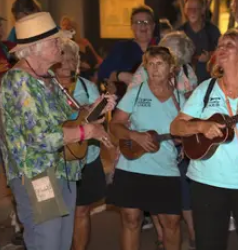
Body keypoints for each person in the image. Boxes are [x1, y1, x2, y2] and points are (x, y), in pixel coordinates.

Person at [0, 12, 115, 250]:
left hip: (64, 169)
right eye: (54, 41)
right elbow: (38, 138)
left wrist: (93, 109)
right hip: (37, 175)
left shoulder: (48, 76)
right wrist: (86, 133)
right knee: (47, 241)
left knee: (61, 242)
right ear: (34, 48)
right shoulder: (19, 81)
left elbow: (68, 118)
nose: (59, 45)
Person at [170, 29, 238, 250]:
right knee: (209, 244)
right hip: (207, 183)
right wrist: (201, 125)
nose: (222, 48)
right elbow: (176, 126)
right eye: (220, 45)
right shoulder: (205, 89)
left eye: (229, 45)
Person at [108, 46, 184, 250]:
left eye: (160, 64)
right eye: (150, 64)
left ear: (171, 68)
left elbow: (184, 136)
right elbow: (114, 125)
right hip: (132, 165)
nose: (154, 69)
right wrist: (134, 135)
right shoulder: (135, 93)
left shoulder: (181, 99)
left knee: (172, 222)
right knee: (131, 219)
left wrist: (183, 140)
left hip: (165, 167)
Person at [127, 31, 198, 249]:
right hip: (149, 140)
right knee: (154, 194)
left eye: (176, 60)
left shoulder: (188, 72)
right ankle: (160, 234)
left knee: (184, 190)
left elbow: (193, 103)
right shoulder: (145, 71)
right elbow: (132, 102)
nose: (170, 65)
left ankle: (193, 235)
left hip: (178, 139)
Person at [53, 38, 111, 250]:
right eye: (64, 59)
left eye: (73, 59)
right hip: (59, 161)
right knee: (56, 215)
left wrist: (101, 109)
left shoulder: (88, 87)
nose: (69, 64)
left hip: (88, 158)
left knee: (82, 210)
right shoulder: (46, 88)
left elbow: (99, 119)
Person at [98, 5, 158, 94]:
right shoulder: (122, 47)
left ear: (153, 26)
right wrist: (120, 75)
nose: (142, 25)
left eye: (146, 21)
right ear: (132, 27)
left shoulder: (162, 45)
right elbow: (102, 73)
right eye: (138, 22)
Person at [178, 0, 221, 83]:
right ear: (185, 11)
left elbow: (221, 53)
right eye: (189, 8)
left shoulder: (213, 31)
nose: (192, 11)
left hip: (208, 81)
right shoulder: (180, 33)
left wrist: (210, 57)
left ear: (202, 10)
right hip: (185, 84)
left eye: (196, 8)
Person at [60, 16, 103, 81]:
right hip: (76, 74)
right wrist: (80, 64)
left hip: (91, 72)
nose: (66, 27)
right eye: (63, 25)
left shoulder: (84, 41)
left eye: (68, 25)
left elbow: (97, 58)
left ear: (73, 28)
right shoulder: (61, 43)